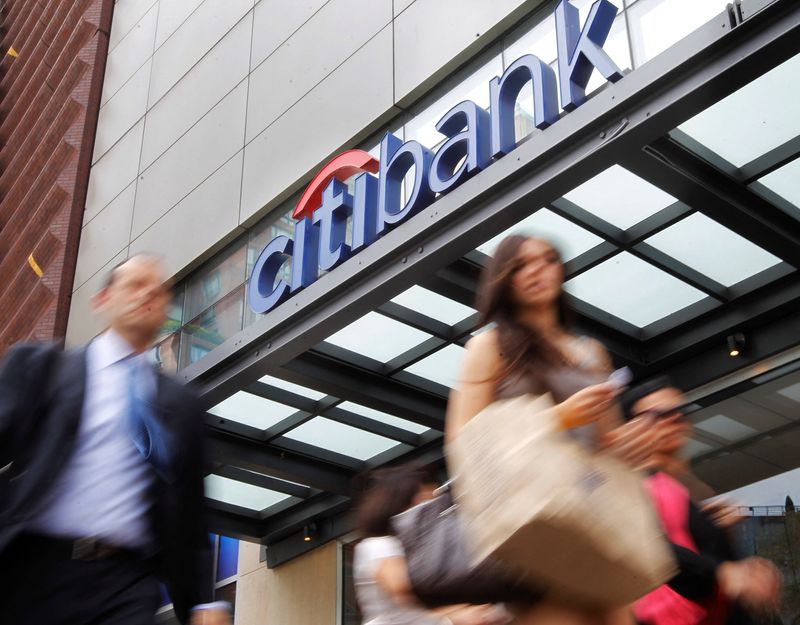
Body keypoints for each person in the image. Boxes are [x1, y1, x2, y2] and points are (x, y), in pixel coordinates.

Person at [0, 254, 230, 625]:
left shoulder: (182, 406)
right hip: (35, 570)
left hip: (125, 582)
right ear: (103, 299)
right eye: (135, 285)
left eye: (159, 291)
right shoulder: (44, 370)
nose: (148, 295)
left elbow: (189, 514)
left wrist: (202, 603)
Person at [446, 234, 658, 625]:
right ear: (503, 280)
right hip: (531, 525)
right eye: (523, 265)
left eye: (547, 259)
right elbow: (462, 444)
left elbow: (605, 444)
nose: (538, 270)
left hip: (592, 522)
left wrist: (634, 443)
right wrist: (556, 418)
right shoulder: (489, 347)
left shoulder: (591, 353)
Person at [624, 378, 782, 624]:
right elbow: (651, 551)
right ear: (632, 427)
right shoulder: (634, 484)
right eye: (657, 414)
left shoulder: (689, 489)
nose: (673, 419)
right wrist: (725, 573)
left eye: (679, 412)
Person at [352, 465, 512, 625]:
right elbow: (401, 591)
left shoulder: (412, 547)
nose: (434, 503)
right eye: (427, 497)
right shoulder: (380, 544)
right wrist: (456, 615)